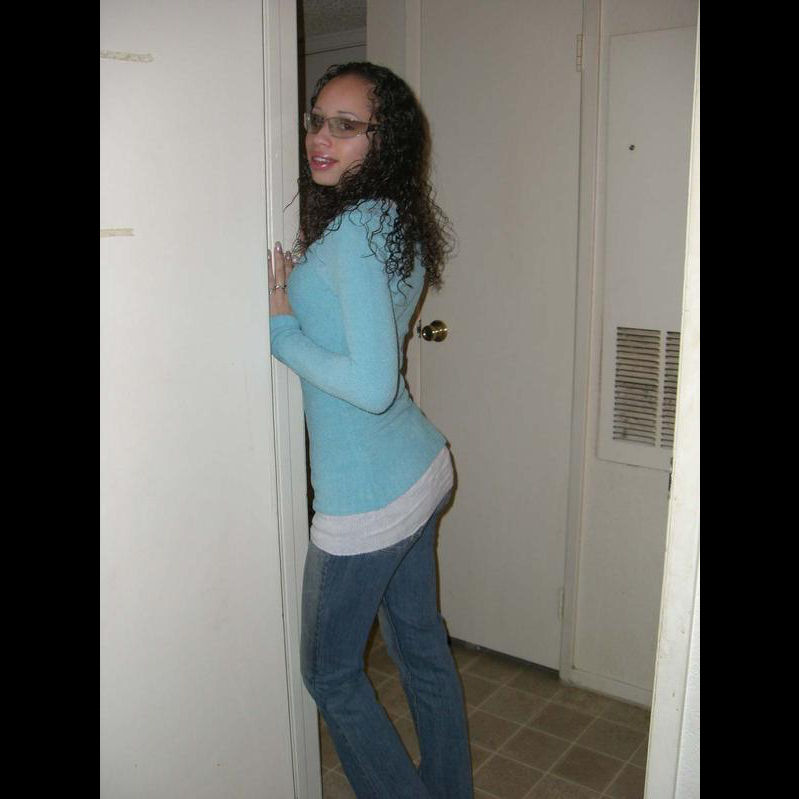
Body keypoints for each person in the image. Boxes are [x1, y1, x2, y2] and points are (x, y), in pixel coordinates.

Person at [268, 62, 473, 798]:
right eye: (317, 119)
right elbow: (365, 328)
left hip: (367, 499)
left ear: (381, 140)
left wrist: (280, 328)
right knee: (420, 649)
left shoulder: (358, 227)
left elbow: (370, 383)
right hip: (418, 470)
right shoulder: (389, 218)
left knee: (328, 673)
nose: (320, 138)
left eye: (345, 126)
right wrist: (307, 280)